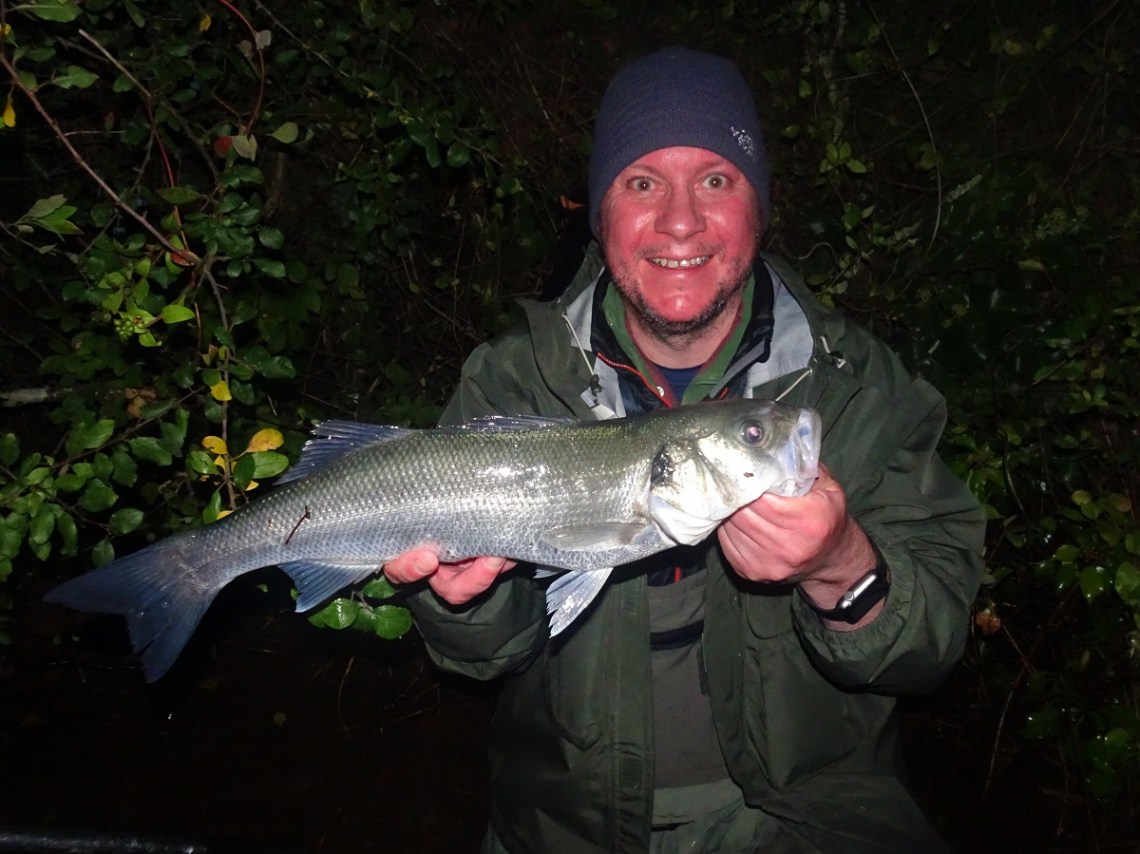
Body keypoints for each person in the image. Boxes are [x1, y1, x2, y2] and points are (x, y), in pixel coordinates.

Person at [384, 46, 984, 853]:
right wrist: (467, 600)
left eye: (715, 179)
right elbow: (479, 661)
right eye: (641, 183)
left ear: (758, 207)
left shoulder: (856, 383)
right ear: (600, 213)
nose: (679, 220)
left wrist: (843, 565)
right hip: (563, 830)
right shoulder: (511, 380)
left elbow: (934, 649)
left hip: (805, 823)